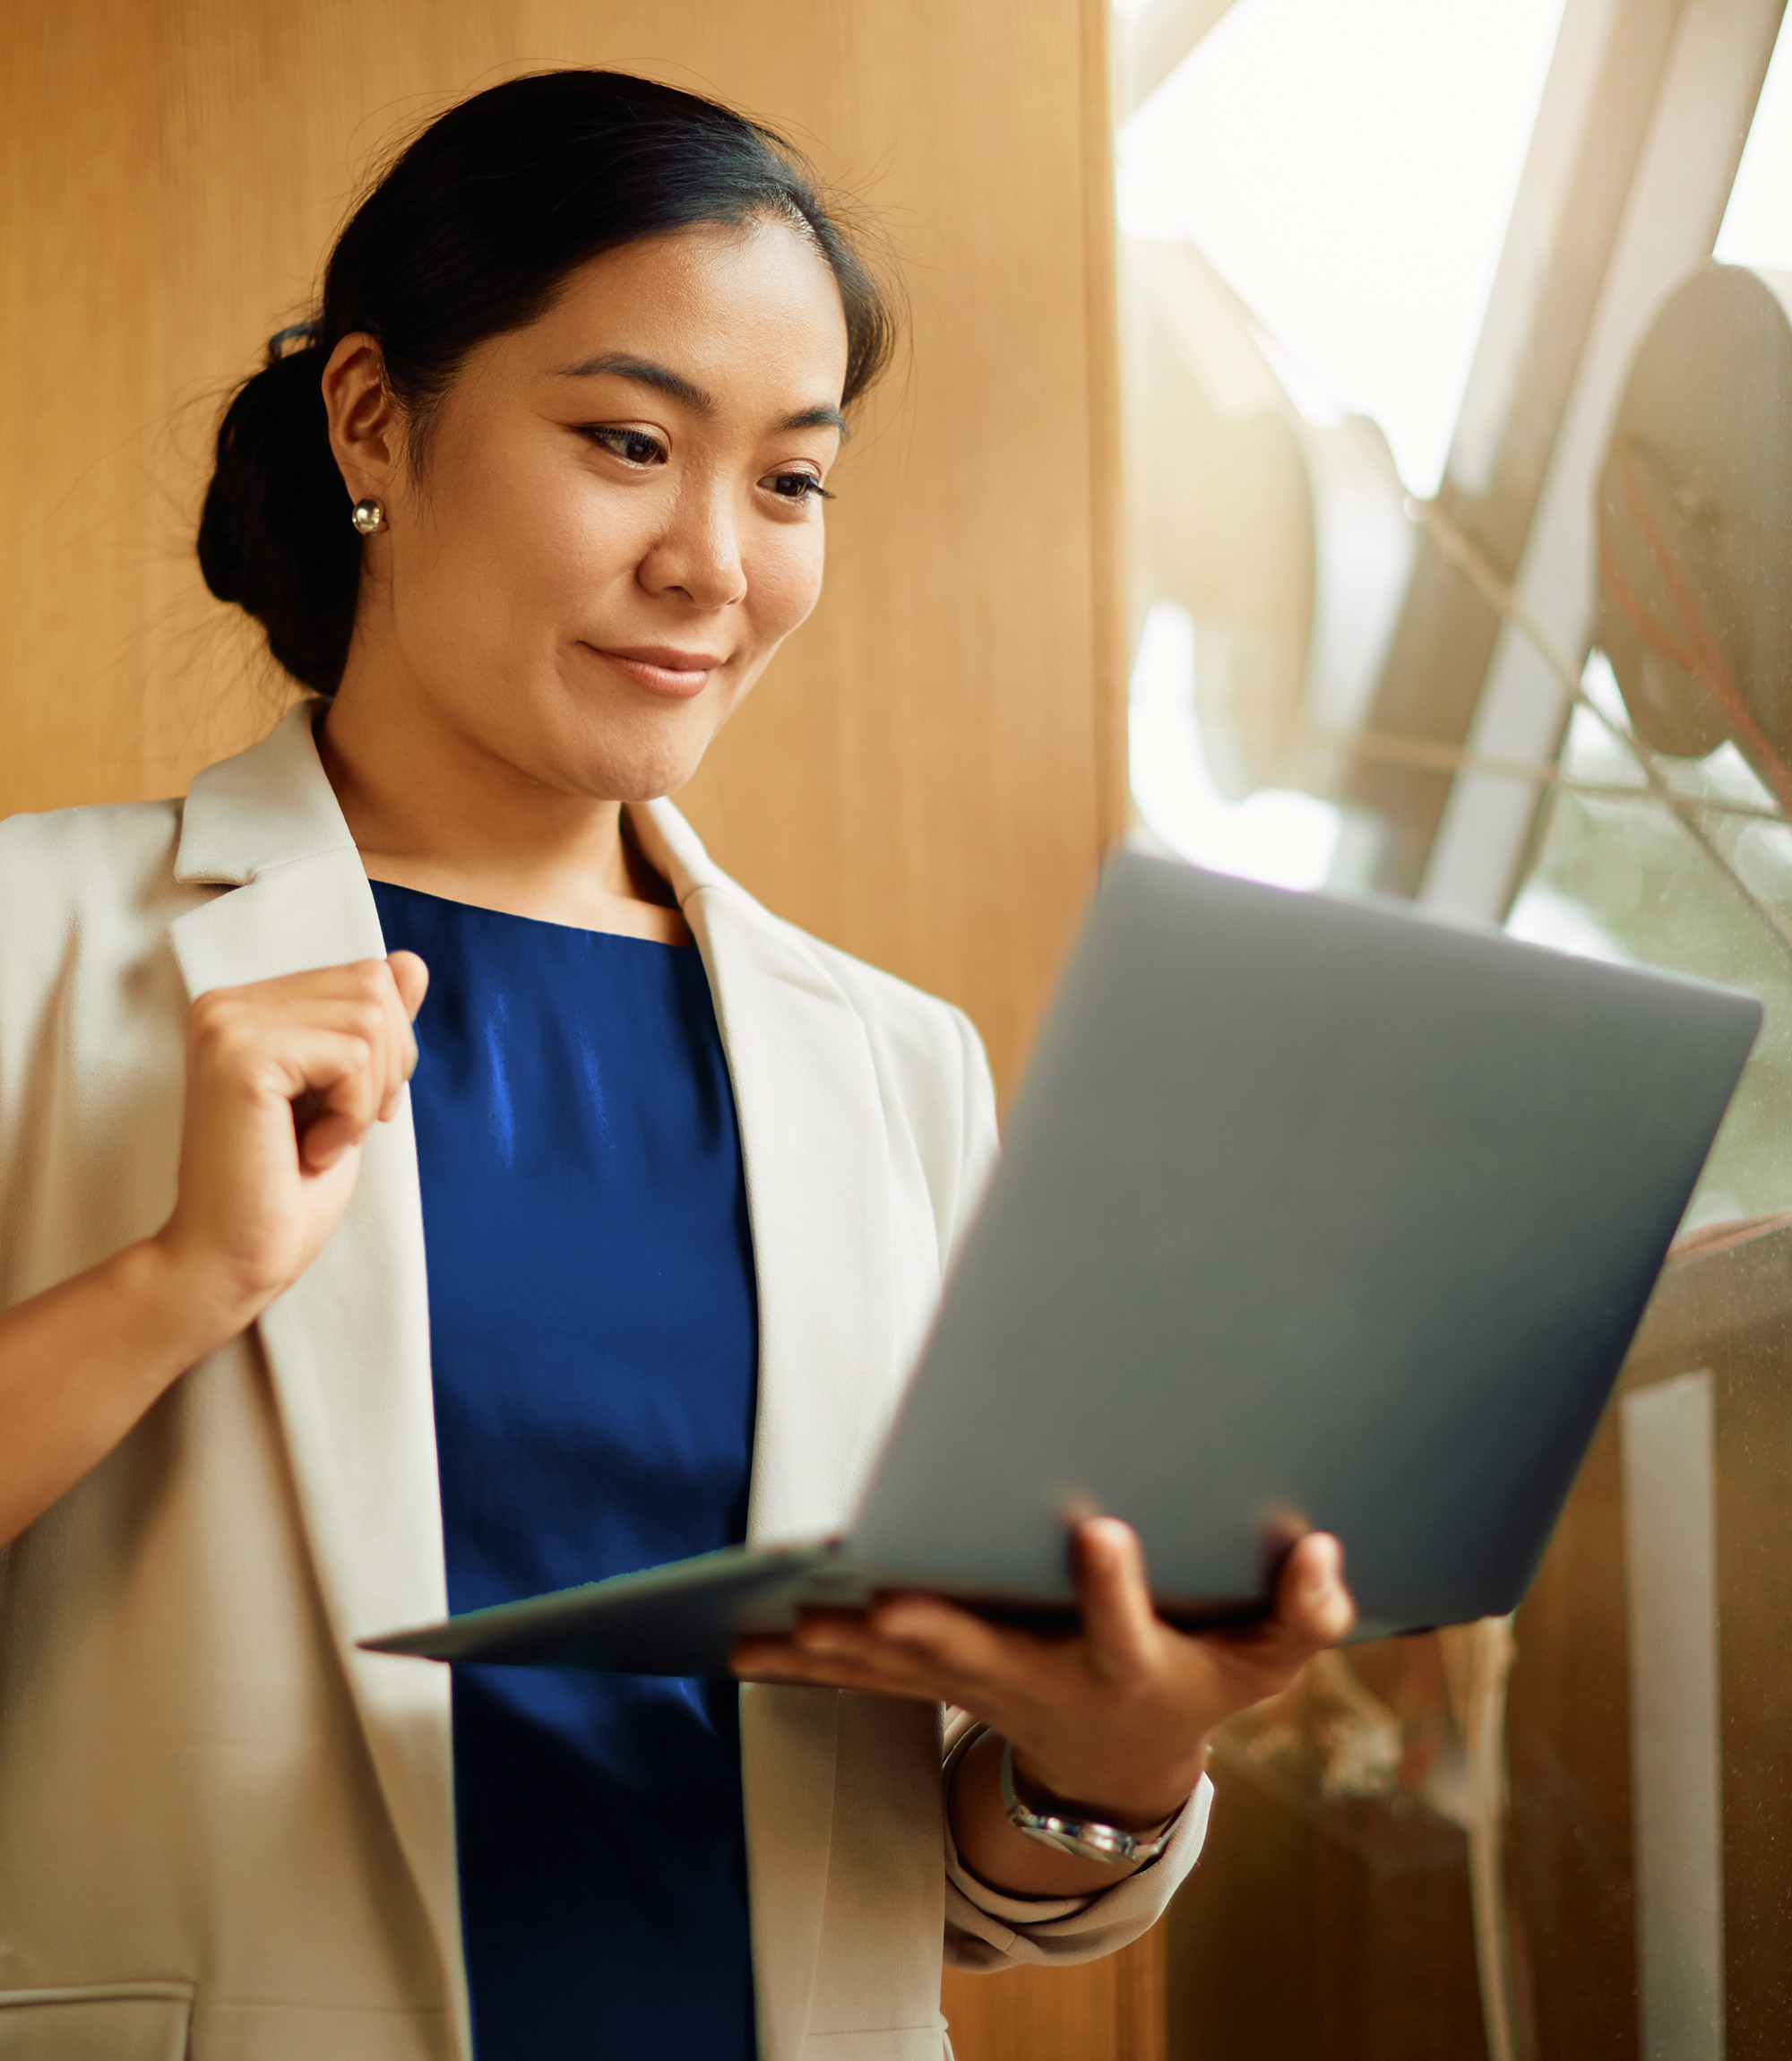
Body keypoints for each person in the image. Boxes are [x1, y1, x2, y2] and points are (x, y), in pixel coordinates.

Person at [0, 70, 1354, 2061]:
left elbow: (963, 1881)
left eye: (789, 481)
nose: (715, 561)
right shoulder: (36, 945)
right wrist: (177, 1282)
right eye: (629, 441)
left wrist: (1114, 1754)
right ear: (375, 416)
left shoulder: (898, 1069)